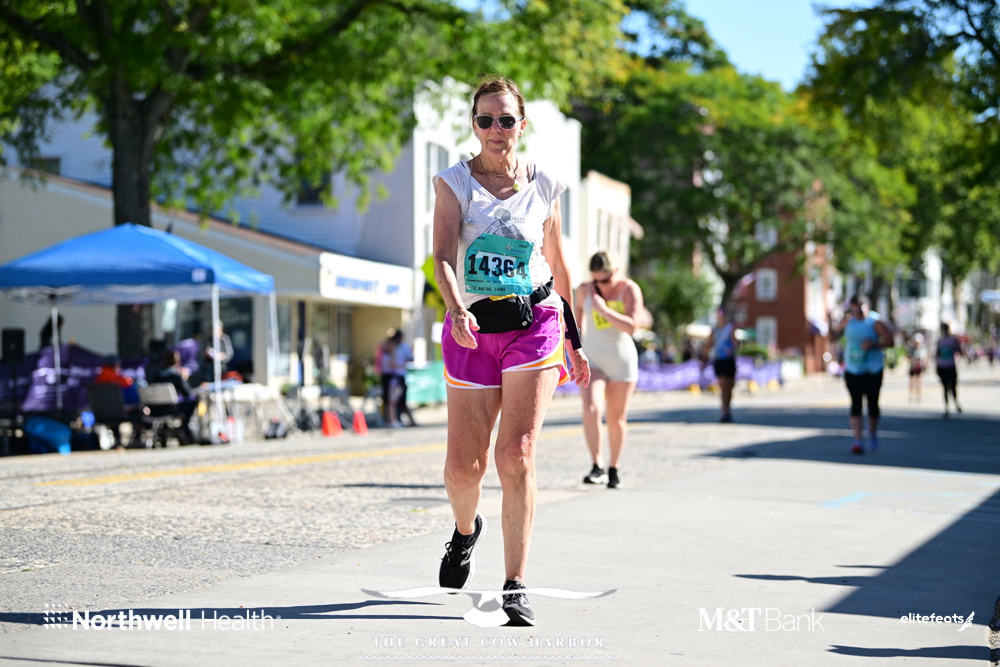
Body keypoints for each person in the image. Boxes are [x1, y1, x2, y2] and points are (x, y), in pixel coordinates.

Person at [431, 74, 590, 626]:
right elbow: (443, 256)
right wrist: (456, 309)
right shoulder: (453, 183)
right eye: (485, 120)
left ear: (522, 125)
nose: (495, 129)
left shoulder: (545, 184)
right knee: (464, 469)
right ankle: (465, 531)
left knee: (516, 454)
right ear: (474, 125)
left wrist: (574, 338)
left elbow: (559, 264)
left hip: (535, 321)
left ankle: (515, 584)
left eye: (505, 120)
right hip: (473, 328)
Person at [574, 251, 645, 489]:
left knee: (616, 418)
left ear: (616, 271)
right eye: (596, 280)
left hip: (621, 360)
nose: (601, 285)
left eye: (605, 280)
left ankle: (614, 468)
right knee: (591, 409)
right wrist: (573, 351)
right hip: (593, 358)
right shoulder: (585, 290)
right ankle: (597, 466)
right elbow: (577, 325)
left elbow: (632, 327)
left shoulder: (629, 289)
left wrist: (604, 310)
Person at [828, 294, 893, 454]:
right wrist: (830, 322)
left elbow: (890, 341)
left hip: (873, 369)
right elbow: (832, 337)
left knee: (872, 404)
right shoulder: (848, 321)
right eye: (854, 310)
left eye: (860, 310)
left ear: (867, 307)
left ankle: (872, 432)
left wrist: (873, 344)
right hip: (853, 369)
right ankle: (858, 440)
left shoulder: (875, 322)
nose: (857, 313)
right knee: (855, 404)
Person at [94, 354, 141, 449]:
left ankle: (117, 439)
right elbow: (132, 397)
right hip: (120, 412)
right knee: (138, 409)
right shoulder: (119, 380)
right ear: (116, 365)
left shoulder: (98, 379)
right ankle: (137, 439)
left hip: (102, 413)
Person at [150, 349, 198, 444]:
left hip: (155, 409)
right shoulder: (176, 376)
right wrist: (184, 378)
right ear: (177, 361)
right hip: (171, 409)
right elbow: (187, 393)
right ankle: (184, 426)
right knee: (193, 401)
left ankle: (170, 428)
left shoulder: (156, 375)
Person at [704, 307, 739, 423]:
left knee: (730, 386)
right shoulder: (714, 330)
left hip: (729, 360)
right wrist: (704, 359)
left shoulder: (730, 328)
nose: (720, 317)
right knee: (723, 385)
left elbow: (735, 343)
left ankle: (728, 409)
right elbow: (709, 345)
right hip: (719, 360)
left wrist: (733, 347)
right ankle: (724, 411)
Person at [935, 322, 964, 418]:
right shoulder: (940, 340)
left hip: (951, 366)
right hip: (942, 366)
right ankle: (946, 408)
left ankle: (956, 403)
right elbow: (937, 353)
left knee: (953, 386)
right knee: (945, 388)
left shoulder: (953, 340)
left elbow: (959, 350)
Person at [906, 333, 927, 404]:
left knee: (919, 381)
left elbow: (925, 358)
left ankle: (919, 396)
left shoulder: (922, 349)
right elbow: (908, 356)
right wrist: (912, 360)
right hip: (913, 367)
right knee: (912, 382)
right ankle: (911, 396)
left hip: (919, 367)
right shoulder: (912, 349)